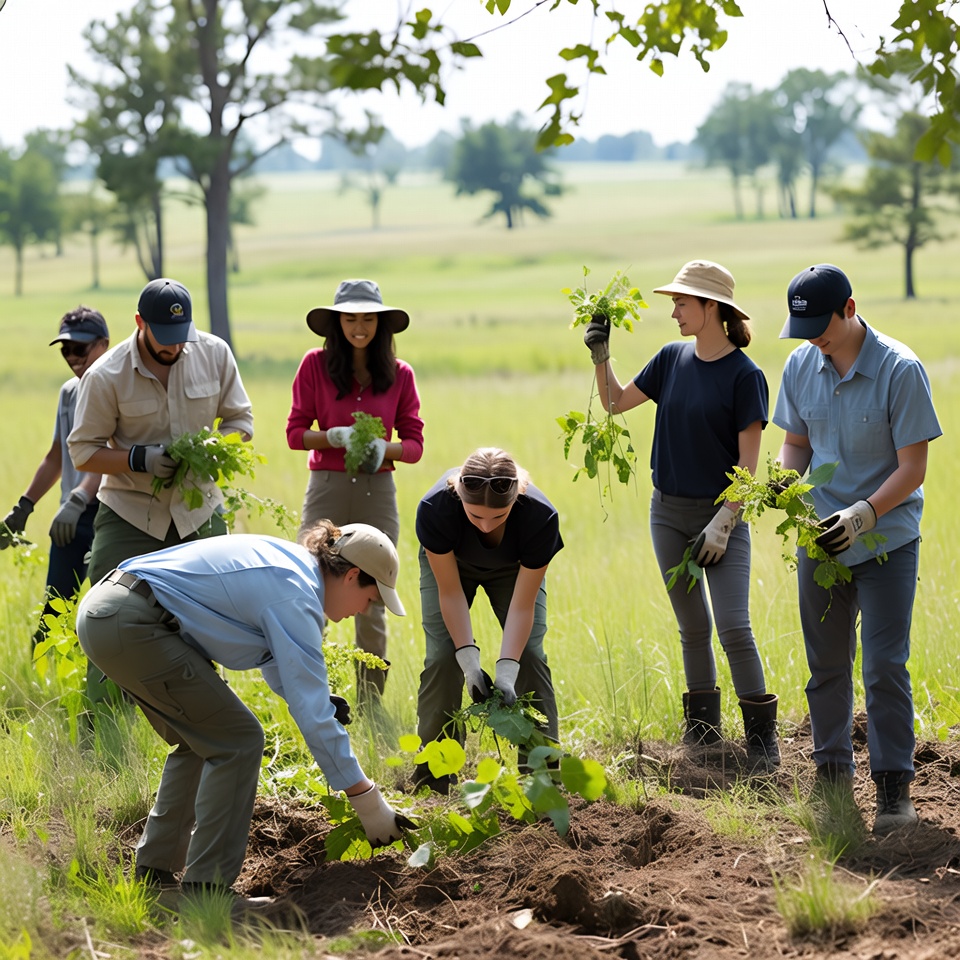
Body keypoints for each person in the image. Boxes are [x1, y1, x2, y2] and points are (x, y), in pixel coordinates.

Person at [75, 520, 414, 904]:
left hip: (111, 611)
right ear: (352, 575)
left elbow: (276, 661)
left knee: (202, 739)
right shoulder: (296, 594)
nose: (365, 611)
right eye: (371, 600)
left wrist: (315, 698)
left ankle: (155, 878)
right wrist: (368, 801)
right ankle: (208, 893)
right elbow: (313, 717)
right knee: (239, 740)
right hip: (132, 621)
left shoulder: (294, 568)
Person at [583, 260, 779, 770]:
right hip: (667, 514)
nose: (673, 312)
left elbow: (748, 467)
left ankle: (763, 745)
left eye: (682, 303)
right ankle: (704, 739)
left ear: (712, 308)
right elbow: (612, 402)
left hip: (722, 520)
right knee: (692, 626)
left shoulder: (745, 377)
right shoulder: (671, 359)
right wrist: (602, 356)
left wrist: (726, 520)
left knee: (734, 626)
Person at [773, 263, 941, 835]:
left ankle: (894, 790)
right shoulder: (800, 365)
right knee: (825, 667)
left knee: (885, 666)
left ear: (849, 308)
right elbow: (795, 444)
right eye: (803, 327)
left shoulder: (900, 368)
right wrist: (785, 484)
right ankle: (833, 781)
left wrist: (865, 511)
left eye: (821, 324)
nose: (813, 337)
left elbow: (913, 468)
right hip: (819, 543)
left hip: (887, 540)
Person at [68, 278, 253, 706]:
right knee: (106, 620)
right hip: (131, 511)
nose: (174, 347)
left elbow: (240, 424)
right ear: (139, 323)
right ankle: (105, 731)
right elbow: (83, 452)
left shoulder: (214, 353)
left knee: (211, 620)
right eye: (164, 338)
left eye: (181, 337)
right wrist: (139, 459)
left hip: (198, 509)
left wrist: (209, 449)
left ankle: (208, 722)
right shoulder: (106, 375)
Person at [286, 278, 424, 700]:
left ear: (381, 324)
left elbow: (415, 445)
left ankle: (370, 702)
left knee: (373, 597)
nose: (359, 327)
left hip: (377, 491)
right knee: (309, 589)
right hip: (327, 487)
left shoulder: (400, 375)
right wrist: (333, 437)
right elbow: (294, 433)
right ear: (337, 322)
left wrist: (387, 447)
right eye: (350, 318)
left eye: (368, 318)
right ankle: (309, 695)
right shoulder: (314, 365)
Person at [414, 447, 563, 793]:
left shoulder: (539, 517)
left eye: (498, 517)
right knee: (442, 658)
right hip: (453, 566)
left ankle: (542, 775)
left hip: (514, 568)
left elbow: (523, 607)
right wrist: (469, 661)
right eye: (475, 515)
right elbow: (450, 593)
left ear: (517, 496)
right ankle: (434, 775)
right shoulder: (436, 509)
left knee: (530, 656)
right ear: (458, 494)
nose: (484, 525)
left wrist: (507, 672)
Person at [0, 307, 109, 646]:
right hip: (70, 518)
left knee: (108, 611)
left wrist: (80, 498)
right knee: (54, 614)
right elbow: (57, 455)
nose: (72, 357)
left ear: (103, 344)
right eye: (66, 350)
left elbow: (111, 456)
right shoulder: (69, 392)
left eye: (80, 349)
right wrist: (24, 506)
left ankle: (112, 694)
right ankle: (39, 687)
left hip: (111, 514)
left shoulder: (118, 387)